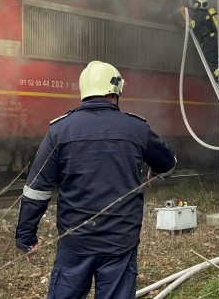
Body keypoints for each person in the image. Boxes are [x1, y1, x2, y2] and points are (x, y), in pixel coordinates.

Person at [15, 60, 177, 299]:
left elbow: (36, 190)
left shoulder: (60, 130)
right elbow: (168, 164)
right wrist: (155, 172)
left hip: (75, 241)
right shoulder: (136, 128)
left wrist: (26, 237)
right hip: (120, 243)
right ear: (116, 91)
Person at [185, 0, 219, 79]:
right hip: (214, 40)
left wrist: (185, 15)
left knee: (212, 63)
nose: (194, 6)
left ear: (201, 4)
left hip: (208, 42)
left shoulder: (200, 14)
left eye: (195, 4)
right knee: (217, 61)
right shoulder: (206, 14)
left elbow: (193, 25)